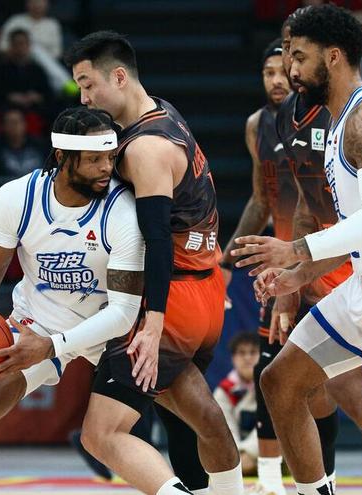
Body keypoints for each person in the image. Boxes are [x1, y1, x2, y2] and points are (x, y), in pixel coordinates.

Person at [232, 5, 362, 495]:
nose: (291, 69)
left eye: (300, 57)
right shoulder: (341, 123)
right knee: (280, 382)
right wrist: (299, 275)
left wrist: (293, 249)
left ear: (334, 57)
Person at [0, 107, 146, 495]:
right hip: (38, 322)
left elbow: (123, 312)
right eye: (93, 159)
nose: (106, 168)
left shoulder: (122, 210)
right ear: (62, 157)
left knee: (190, 409)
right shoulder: (17, 198)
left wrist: (54, 346)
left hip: (109, 325)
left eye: (110, 158)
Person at [66, 31, 242, 495]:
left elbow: (158, 239)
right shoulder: (164, 112)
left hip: (174, 299)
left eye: (88, 84)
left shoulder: (143, 149)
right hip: (206, 288)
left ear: (119, 77)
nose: (84, 98)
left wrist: (154, 322)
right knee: (188, 420)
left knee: (100, 435)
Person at [221, 37, 341, 495]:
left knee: (332, 383)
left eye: (282, 70)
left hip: (322, 259)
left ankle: (339, 478)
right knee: (270, 371)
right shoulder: (257, 125)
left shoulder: (324, 118)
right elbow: (259, 200)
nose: (276, 80)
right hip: (281, 264)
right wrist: (228, 258)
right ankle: (271, 482)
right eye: (267, 73)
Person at [214, 333, 259, 477]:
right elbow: (225, 430)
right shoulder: (224, 391)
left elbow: (273, 426)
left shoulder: (272, 387)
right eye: (242, 353)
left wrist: (249, 452)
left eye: (253, 352)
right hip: (236, 458)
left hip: (266, 452)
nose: (247, 358)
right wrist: (238, 457)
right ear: (233, 358)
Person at [0, 29, 53, 116]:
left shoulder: (37, 70)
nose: (20, 48)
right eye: (16, 44)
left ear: (29, 45)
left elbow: (48, 94)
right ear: (11, 46)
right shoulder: (0, 70)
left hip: (34, 110)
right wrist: (9, 97)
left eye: (23, 43)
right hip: (9, 110)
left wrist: (37, 97)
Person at [0, 107, 46, 177]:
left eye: (18, 121)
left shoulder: (39, 147)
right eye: (11, 122)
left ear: (25, 124)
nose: (15, 126)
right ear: (3, 126)